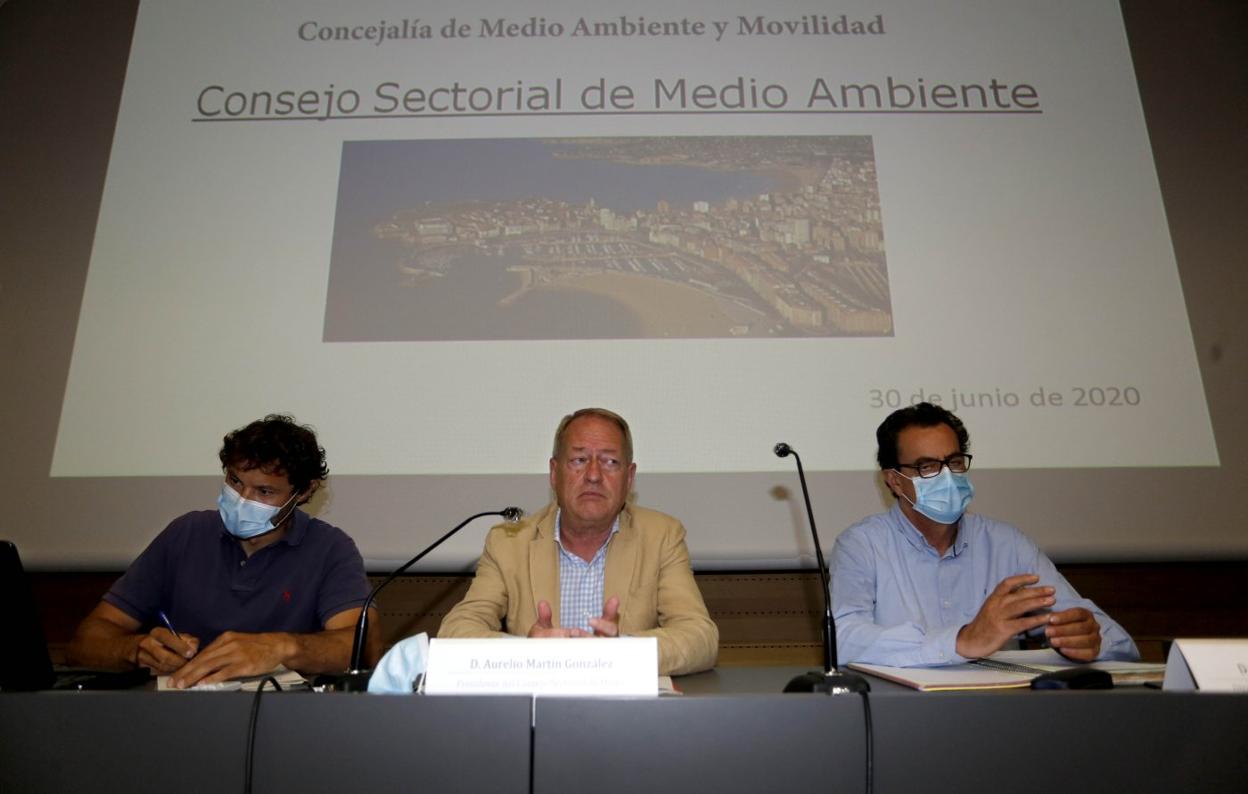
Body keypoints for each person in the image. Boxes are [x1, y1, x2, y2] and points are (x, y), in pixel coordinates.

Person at [67, 414, 378, 687]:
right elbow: (87, 640)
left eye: (264, 491)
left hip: (280, 722)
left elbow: (362, 648)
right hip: (177, 714)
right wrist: (135, 650)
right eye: (234, 481)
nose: (241, 499)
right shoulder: (186, 533)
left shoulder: (330, 548)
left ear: (304, 491)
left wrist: (282, 648)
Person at [831, 402, 1139, 667]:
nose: (947, 476)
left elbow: (1120, 643)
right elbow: (844, 640)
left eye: (953, 462)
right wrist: (962, 640)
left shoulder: (1007, 544)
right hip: (905, 715)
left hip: (998, 712)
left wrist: (1091, 640)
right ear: (895, 482)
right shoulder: (863, 545)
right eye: (927, 467)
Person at [438, 407, 718, 676]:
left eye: (610, 462)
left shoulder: (662, 536)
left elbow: (699, 637)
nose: (594, 475)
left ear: (629, 478)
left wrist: (622, 653)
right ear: (554, 473)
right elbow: (456, 631)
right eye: (579, 460)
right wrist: (526, 653)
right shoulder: (509, 543)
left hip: (628, 716)